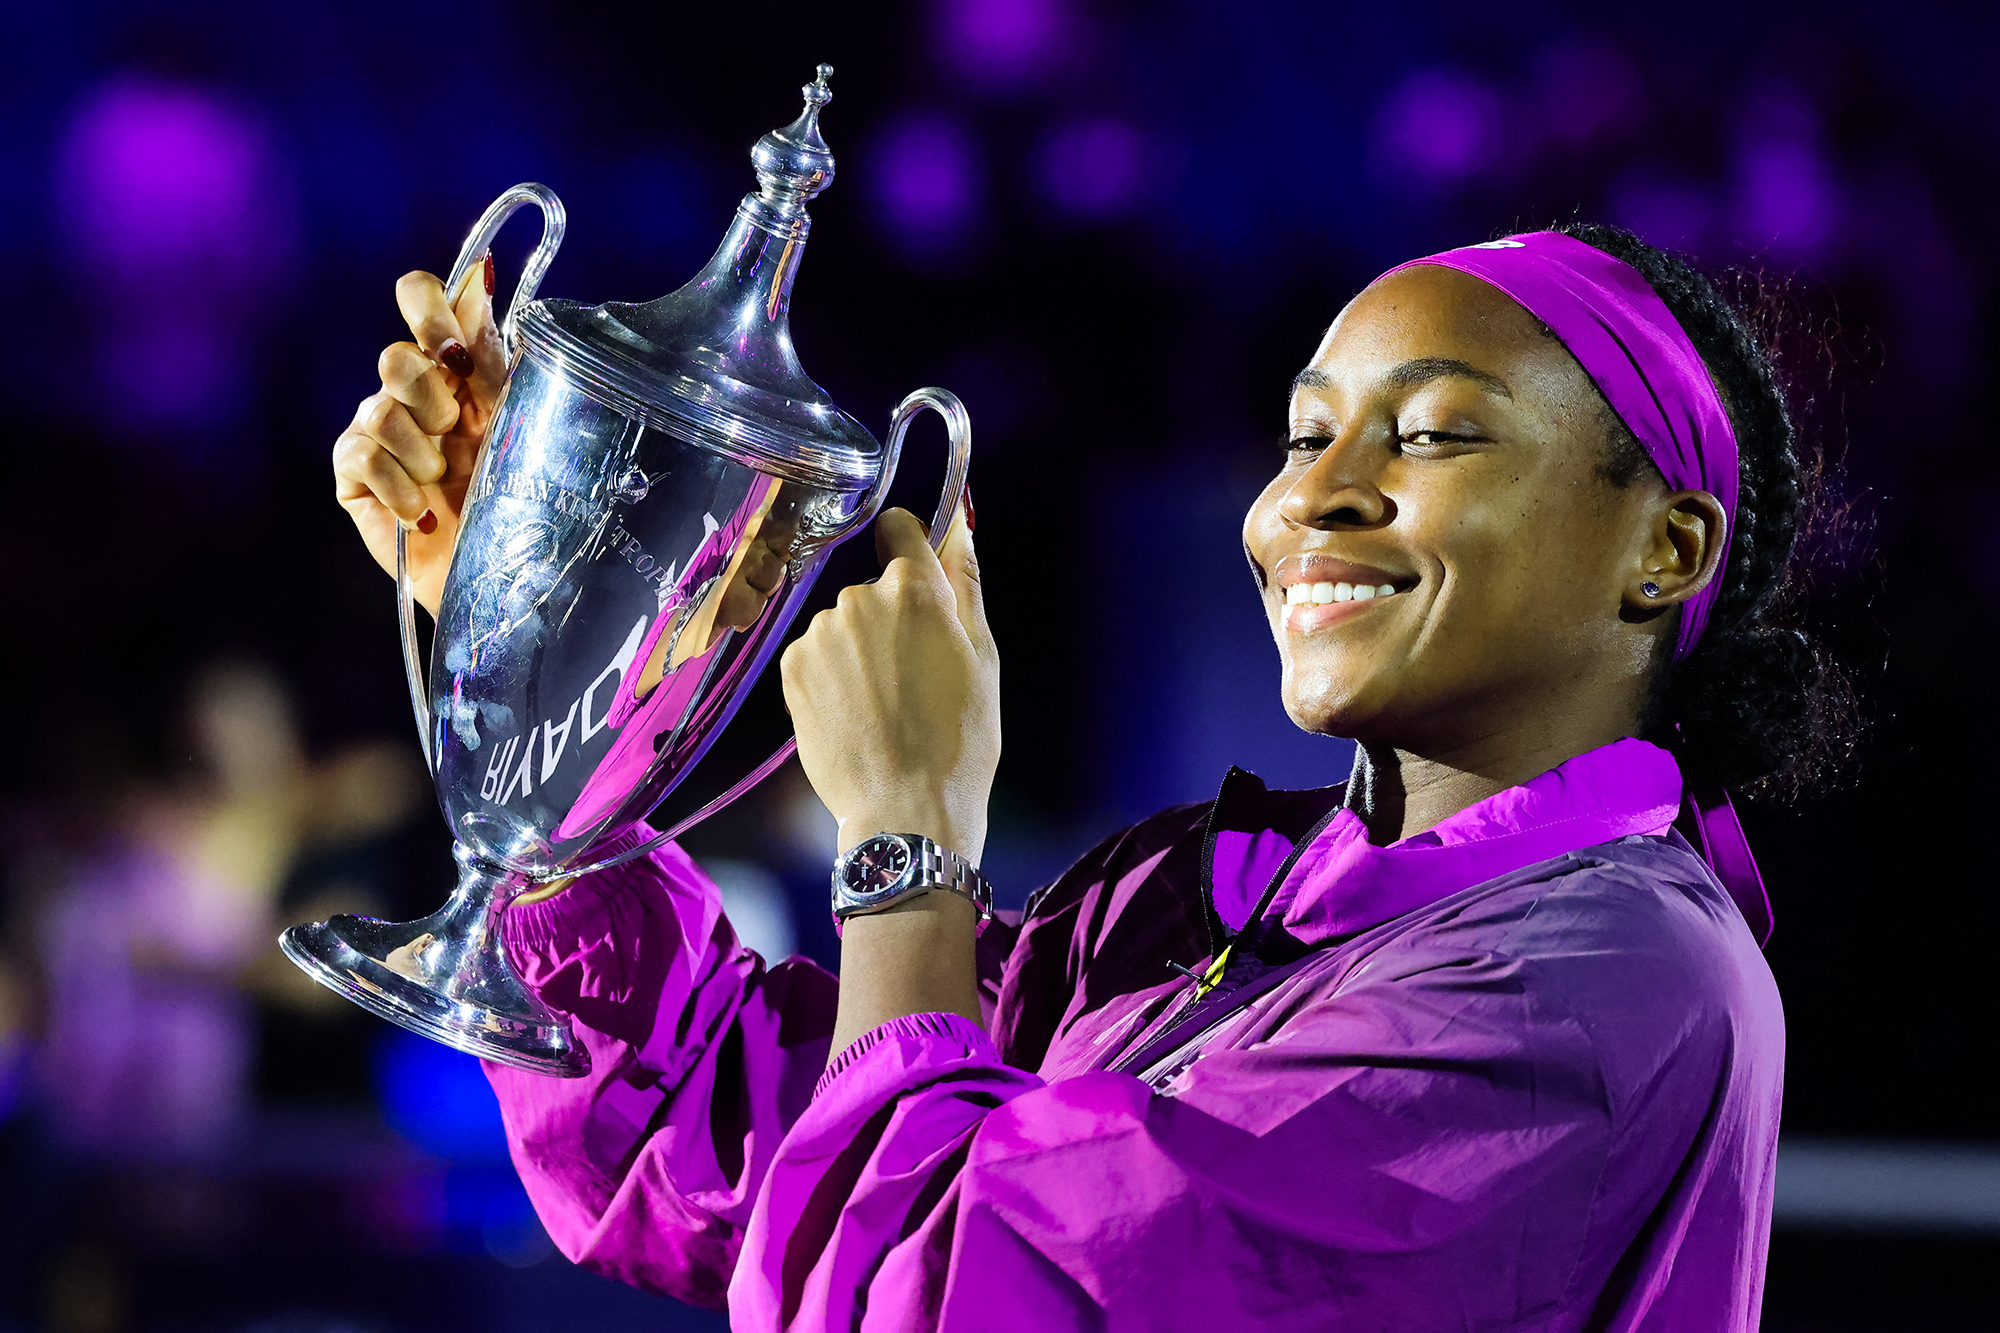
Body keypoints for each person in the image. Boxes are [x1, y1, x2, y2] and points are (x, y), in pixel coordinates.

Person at [331, 223, 1848, 1330]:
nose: (1314, 495)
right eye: (1305, 431)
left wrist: (908, 842)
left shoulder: (1606, 981)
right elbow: (741, 1150)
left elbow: (928, 1296)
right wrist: (544, 653)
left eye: (1437, 431)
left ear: (1666, 548)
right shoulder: (1206, 903)